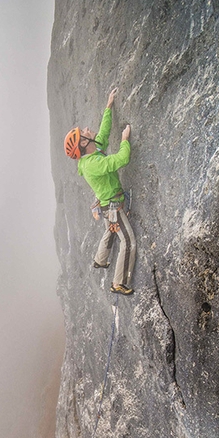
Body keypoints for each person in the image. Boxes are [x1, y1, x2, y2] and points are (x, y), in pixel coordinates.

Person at [64, 88, 136, 295]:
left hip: (107, 206)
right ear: (84, 144)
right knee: (128, 241)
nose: (87, 129)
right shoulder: (93, 164)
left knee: (111, 231)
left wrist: (108, 106)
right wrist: (124, 140)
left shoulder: (91, 153)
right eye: (83, 133)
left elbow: (103, 133)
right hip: (113, 206)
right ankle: (118, 283)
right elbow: (120, 160)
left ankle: (100, 260)